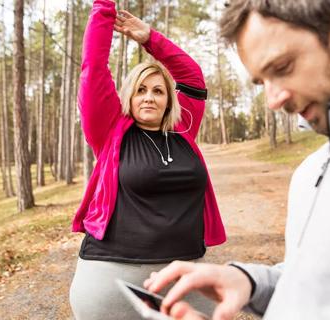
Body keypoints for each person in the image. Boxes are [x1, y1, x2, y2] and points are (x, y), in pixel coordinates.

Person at [143, 1, 330, 319]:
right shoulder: (323, 161)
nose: (274, 99)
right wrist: (253, 283)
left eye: (282, 67)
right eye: (262, 81)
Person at [69, 1, 226, 319]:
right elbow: (94, 67)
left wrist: (149, 38)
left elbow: (192, 77)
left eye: (158, 90)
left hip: (184, 275)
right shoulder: (110, 131)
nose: (150, 96)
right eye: (140, 90)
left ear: (169, 99)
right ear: (129, 96)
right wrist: (103, 7)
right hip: (112, 280)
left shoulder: (184, 130)